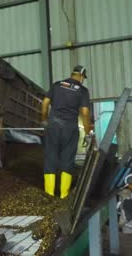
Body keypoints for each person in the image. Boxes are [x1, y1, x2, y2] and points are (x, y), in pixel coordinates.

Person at [41, 65, 92, 199]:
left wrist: (44, 120)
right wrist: (88, 133)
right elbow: (85, 113)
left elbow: (45, 103)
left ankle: (49, 195)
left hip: (53, 126)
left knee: (50, 158)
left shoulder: (57, 85)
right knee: (67, 160)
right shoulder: (82, 90)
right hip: (70, 128)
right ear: (81, 77)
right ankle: (63, 197)